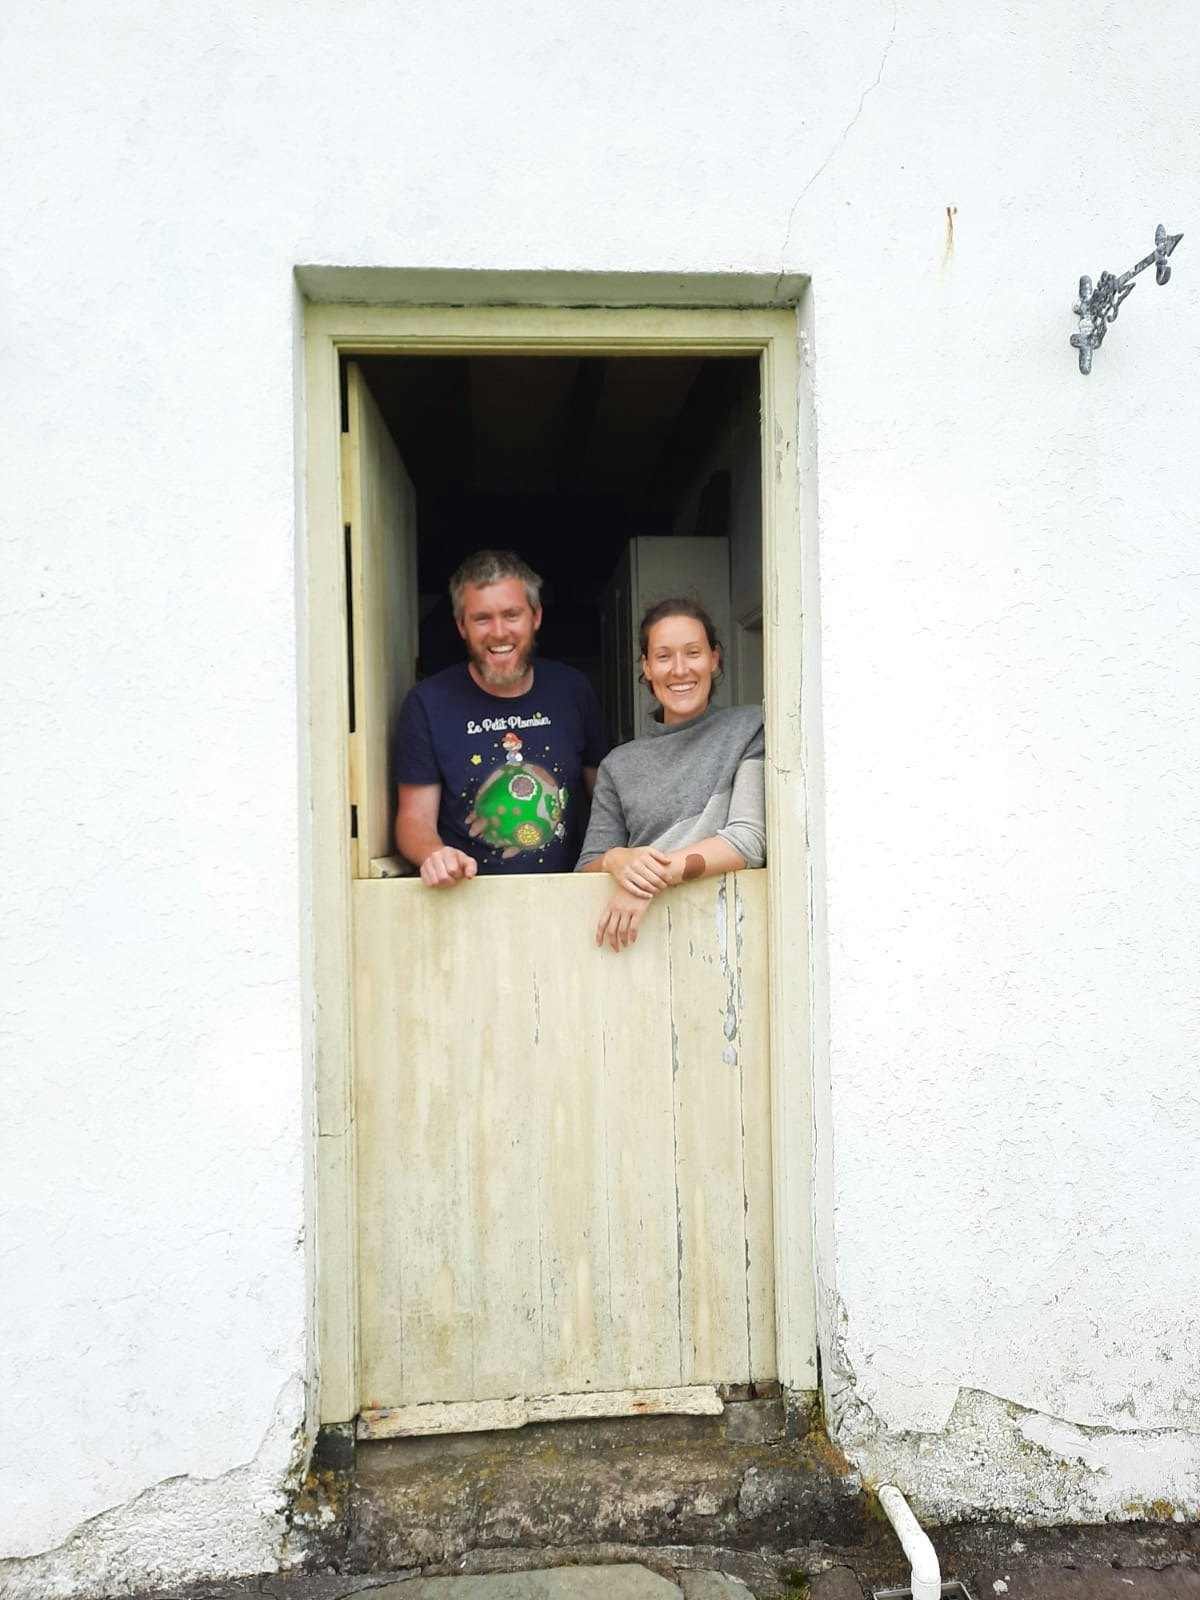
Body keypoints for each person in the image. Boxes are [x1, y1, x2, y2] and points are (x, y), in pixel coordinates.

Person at [393, 549, 610, 886]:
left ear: (535, 617)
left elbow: (607, 798)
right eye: (482, 618)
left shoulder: (572, 690)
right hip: (464, 900)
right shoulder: (427, 703)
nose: (498, 632)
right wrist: (434, 854)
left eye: (511, 615)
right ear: (461, 626)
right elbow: (413, 819)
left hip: (565, 898)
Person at [576, 597, 765, 951]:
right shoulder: (618, 765)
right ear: (646, 667)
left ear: (714, 658)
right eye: (663, 656)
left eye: (693, 652)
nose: (679, 669)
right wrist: (618, 860)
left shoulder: (750, 728)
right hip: (639, 945)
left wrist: (649, 881)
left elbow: (748, 841)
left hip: (730, 941)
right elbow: (588, 867)